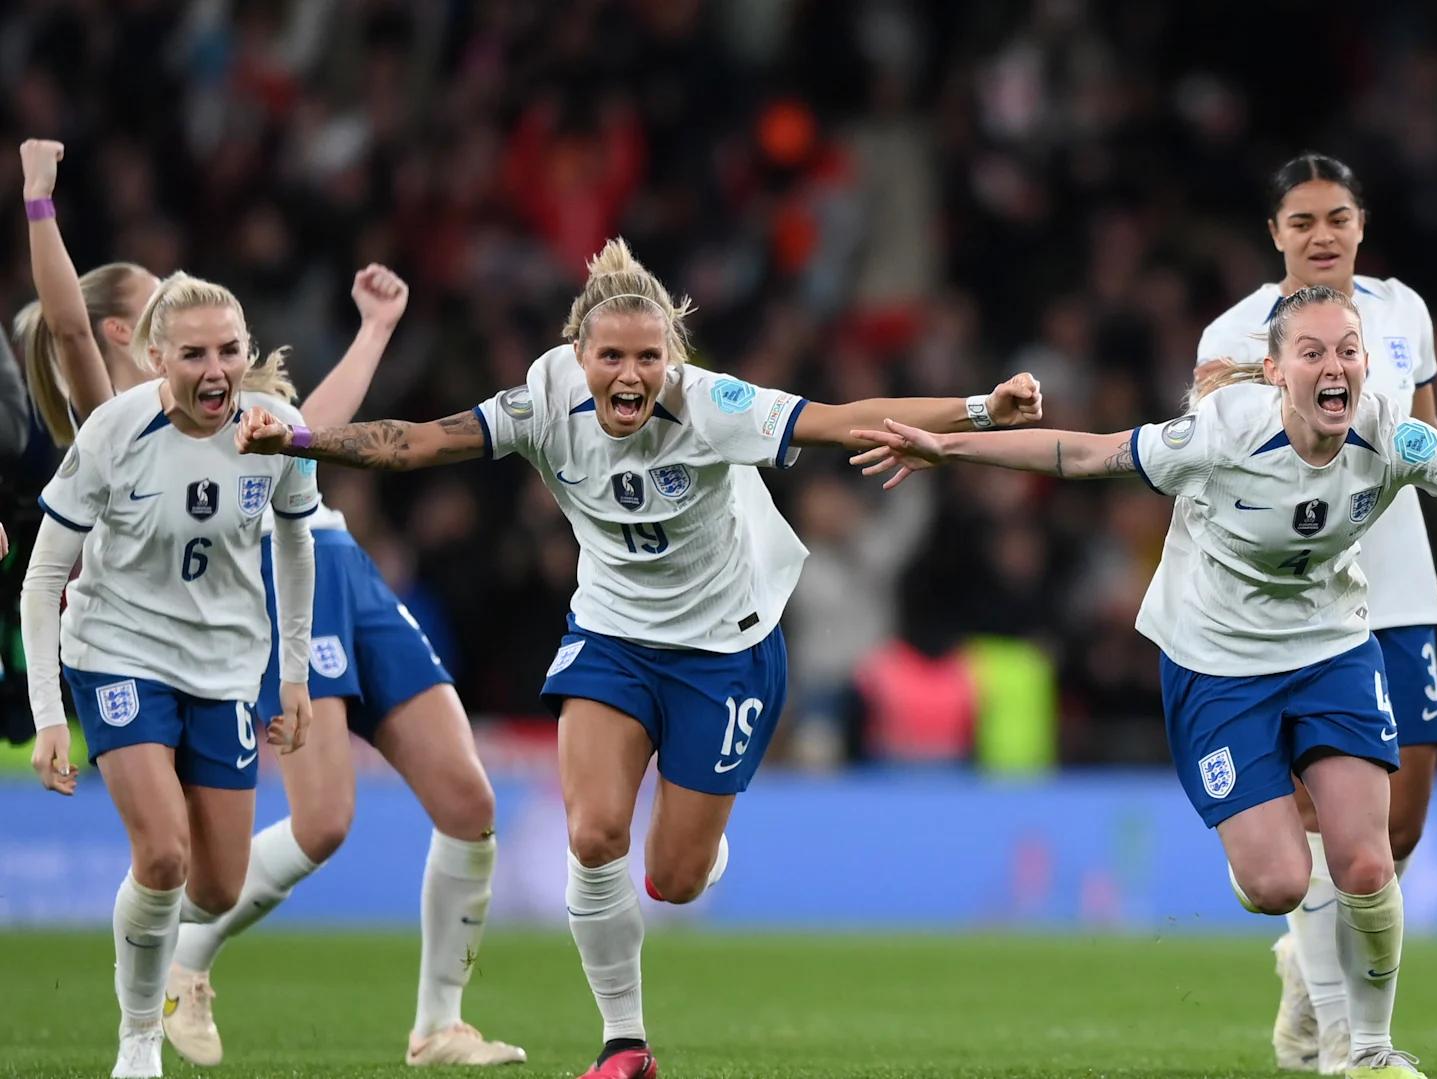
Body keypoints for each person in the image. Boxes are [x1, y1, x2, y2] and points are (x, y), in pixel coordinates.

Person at [850, 285, 1437, 1079]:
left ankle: (1368, 1049)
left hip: (1330, 645)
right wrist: (950, 450)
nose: (1337, 367)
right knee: (1280, 881)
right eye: (1314, 352)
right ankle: (1291, 922)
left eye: (1350, 350)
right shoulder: (1219, 431)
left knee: (1365, 858)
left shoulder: (1392, 433)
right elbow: (1084, 456)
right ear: (1276, 370)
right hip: (1216, 660)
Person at [234, 236, 1044, 1079]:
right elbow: (420, 443)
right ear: (576, 352)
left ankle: (704, 835)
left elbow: (840, 419)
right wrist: (298, 444)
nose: (629, 374)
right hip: (613, 635)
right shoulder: (544, 396)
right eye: (610, 355)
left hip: (724, 648)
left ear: (673, 358)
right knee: (592, 834)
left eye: (648, 357)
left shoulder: (712, 405)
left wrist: (981, 409)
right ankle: (625, 1044)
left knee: (677, 877)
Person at [15, 138, 521, 1067]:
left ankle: (433, 1019)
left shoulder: (253, 408)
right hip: (153, 631)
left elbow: (308, 438)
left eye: (227, 343)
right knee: (247, 838)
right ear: (140, 338)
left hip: (299, 583)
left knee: (255, 865)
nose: (210, 348)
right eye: (165, 308)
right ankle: (147, 1022)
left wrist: (372, 333)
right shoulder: (116, 411)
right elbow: (70, 326)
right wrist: (39, 201)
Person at [1195, 152, 1437, 1071]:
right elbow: (1213, 461)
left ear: (1361, 225)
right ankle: (1341, 1030)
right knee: (1319, 816)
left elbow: (1430, 439)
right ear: (1275, 233)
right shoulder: (1237, 330)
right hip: (1299, 601)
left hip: (1396, 575)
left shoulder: (1406, 313)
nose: (1322, 235)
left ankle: (1309, 972)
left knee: (1400, 825)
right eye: (1303, 220)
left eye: (1337, 218)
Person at [19, 267, 318, 1079]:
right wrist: (51, 714)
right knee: (162, 856)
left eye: (229, 349)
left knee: (216, 887)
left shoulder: (277, 429)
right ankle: (139, 1041)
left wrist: (292, 675)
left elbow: (296, 542)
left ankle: (147, 936)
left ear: (249, 351)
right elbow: (44, 578)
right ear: (157, 358)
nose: (215, 369)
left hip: (223, 666)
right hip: (117, 651)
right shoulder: (114, 431)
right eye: (193, 354)